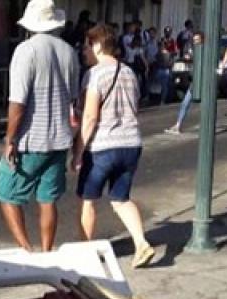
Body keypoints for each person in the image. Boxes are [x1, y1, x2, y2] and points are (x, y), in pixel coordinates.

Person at [0, 0, 79, 252]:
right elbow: (72, 100)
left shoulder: (26, 51)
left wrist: (10, 138)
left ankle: (27, 249)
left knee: (6, 193)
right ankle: (46, 250)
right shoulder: (69, 52)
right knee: (47, 200)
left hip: (31, 140)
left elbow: (17, 103)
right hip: (60, 138)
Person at [72, 24, 155, 268]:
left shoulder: (94, 74)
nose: (84, 51)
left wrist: (78, 152)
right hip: (131, 143)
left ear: (98, 45)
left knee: (87, 200)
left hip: (102, 147)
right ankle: (141, 243)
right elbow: (135, 107)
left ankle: (87, 250)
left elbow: (89, 118)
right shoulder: (129, 72)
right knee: (120, 198)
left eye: (87, 46)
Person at [165, 31, 205, 134]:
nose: (196, 42)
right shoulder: (194, 51)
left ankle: (204, 126)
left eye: (198, 40)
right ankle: (178, 125)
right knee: (185, 103)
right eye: (194, 40)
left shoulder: (205, 51)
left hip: (204, 81)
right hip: (195, 81)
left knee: (204, 105)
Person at [154, 27, 178, 105]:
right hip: (161, 65)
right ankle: (159, 98)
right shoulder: (161, 40)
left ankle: (165, 99)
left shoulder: (172, 41)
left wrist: (170, 53)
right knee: (160, 84)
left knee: (167, 83)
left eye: (169, 32)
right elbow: (157, 53)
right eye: (166, 32)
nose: (167, 33)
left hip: (168, 64)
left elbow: (175, 52)